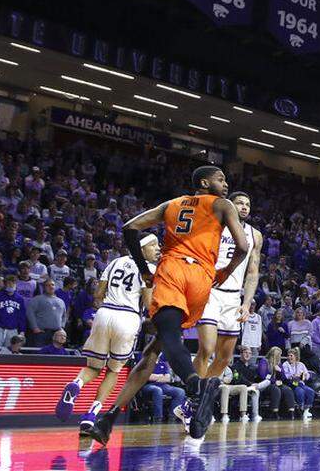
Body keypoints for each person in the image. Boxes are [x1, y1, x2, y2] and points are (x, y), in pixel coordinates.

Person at [88, 165, 249, 443]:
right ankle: (108, 418)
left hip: (172, 271)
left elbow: (130, 228)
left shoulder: (171, 205)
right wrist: (225, 271)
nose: (225, 183)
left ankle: (195, 387)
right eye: (220, 179)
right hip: (202, 278)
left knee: (170, 335)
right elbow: (243, 247)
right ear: (203, 182)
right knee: (153, 350)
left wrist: (144, 269)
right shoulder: (223, 205)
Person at [55, 235, 158, 431]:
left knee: (93, 367)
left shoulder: (115, 262)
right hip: (127, 317)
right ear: (141, 249)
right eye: (153, 245)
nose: (158, 249)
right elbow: (147, 303)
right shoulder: (148, 270)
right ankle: (91, 415)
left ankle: (76, 384)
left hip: (104, 313)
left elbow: (97, 295)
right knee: (113, 370)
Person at [192, 192, 262, 395]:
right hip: (210, 292)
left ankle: (202, 398)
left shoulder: (255, 235)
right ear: (229, 205)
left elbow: (252, 272)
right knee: (206, 348)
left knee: (224, 357)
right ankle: (194, 396)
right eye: (240, 203)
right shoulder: (215, 226)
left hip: (233, 297)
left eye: (247, 204)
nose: (244, 207)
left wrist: (246, 302)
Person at [140, 354, 187, 423]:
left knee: (180, 391)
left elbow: (168, 378)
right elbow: (147, 377)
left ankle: (172, 416)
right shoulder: (145, 363)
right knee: (158, 390)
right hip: (148, 385)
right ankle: (158, 417)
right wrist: (161, 376)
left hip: (163, 385)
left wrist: (155, 377)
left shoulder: (163, 363)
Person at [26, 279, 66, 347]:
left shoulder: (61, 301)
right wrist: (34, 327)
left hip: (56, 334)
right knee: (40, 355)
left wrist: (62, 327)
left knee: (54, 356)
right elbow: (29, 313)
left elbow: (64, 316)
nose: (51, 287)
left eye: (52, 285)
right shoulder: (37, 299)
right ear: (44, 287)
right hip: (41, 333)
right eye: (48, 285)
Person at [227, 345, 262, 421]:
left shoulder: (251, 367)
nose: (247, 355)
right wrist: (250, 384)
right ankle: (243, 414)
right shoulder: (236, 366)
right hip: (237, 388)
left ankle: (255, 415)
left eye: (249, 353)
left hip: (248, 388)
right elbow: (238, 379)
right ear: (241, 354)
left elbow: (253, 380)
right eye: (245, 352)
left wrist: (254, 384)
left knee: (256, 390)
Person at [282, 347, 314, 419]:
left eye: (291, 356)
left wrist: (305, 375)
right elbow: (287, 376)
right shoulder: (285, 364)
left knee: (310, 391)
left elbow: (307, 375)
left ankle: (307, 410)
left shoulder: (301, 364)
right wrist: (294, 376)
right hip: (291, 384)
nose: (289, 357)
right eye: (288, 355)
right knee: (300, 391)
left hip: (301, 383)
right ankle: (300, 409)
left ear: (296, 356)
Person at [0, 273, 28, 348]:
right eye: (8, 283)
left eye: (13, 283)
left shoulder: (19, 298)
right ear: (5, 284)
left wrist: (22, 330)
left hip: (13, 330)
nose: (11, 285)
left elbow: (22, 316)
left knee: (9, 352)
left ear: (16, 284)